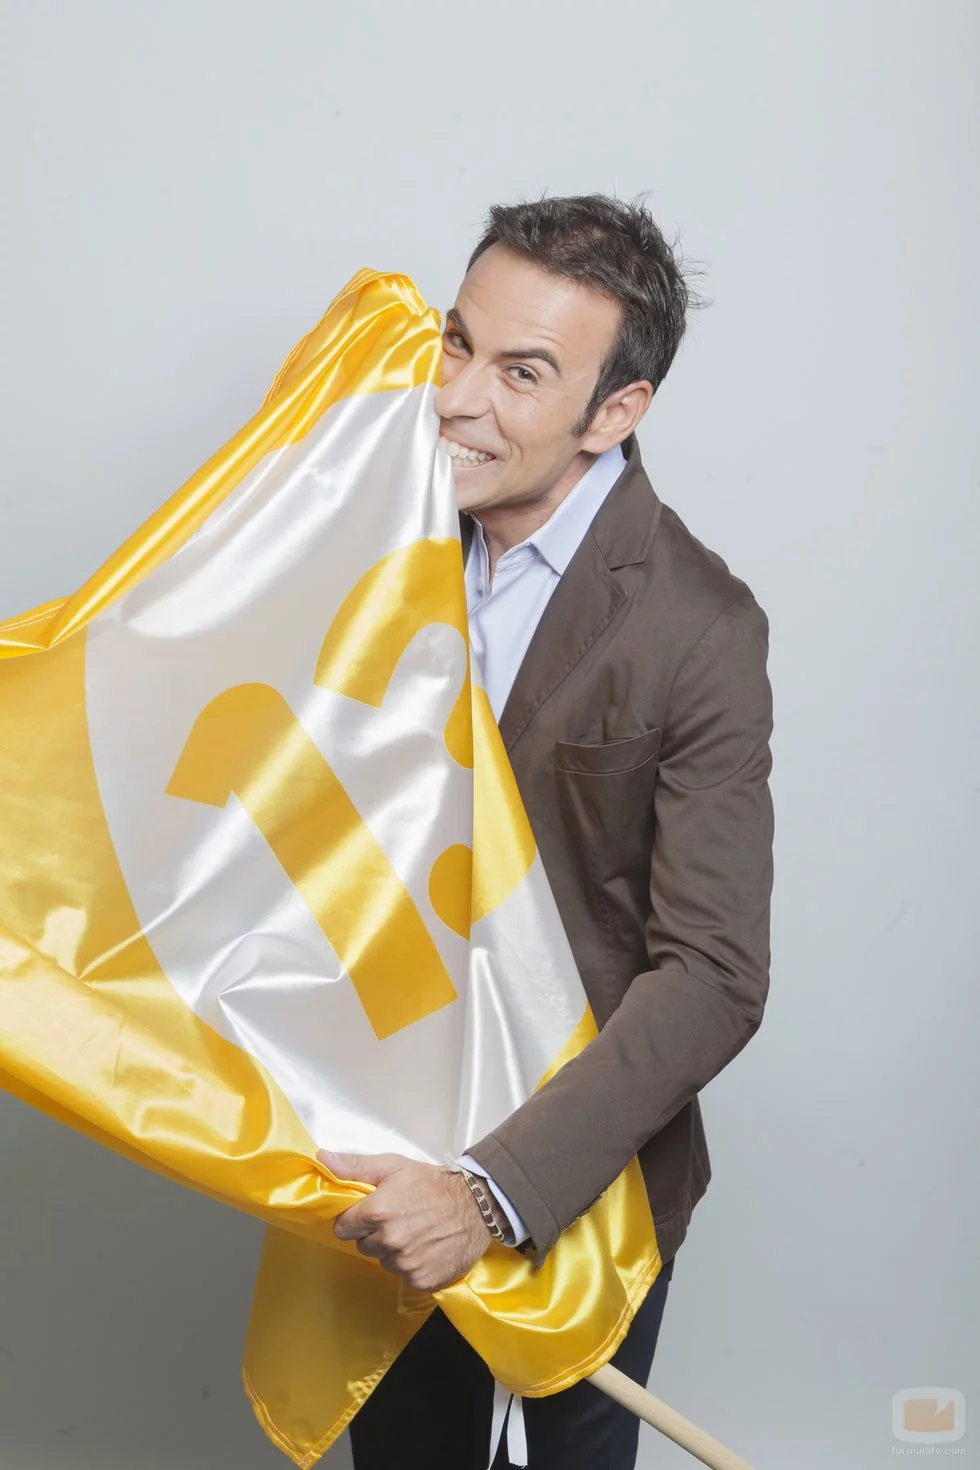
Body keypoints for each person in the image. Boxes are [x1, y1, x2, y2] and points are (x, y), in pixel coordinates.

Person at [318, 194, 774, 1469]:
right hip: (378, 1159)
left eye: (520, 374)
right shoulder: (369, 529)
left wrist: (488, 1195)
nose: (455, 398)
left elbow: (714, 974)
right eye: (455, 343)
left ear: (613, 413)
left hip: (568, 1198)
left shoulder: (698, 627)